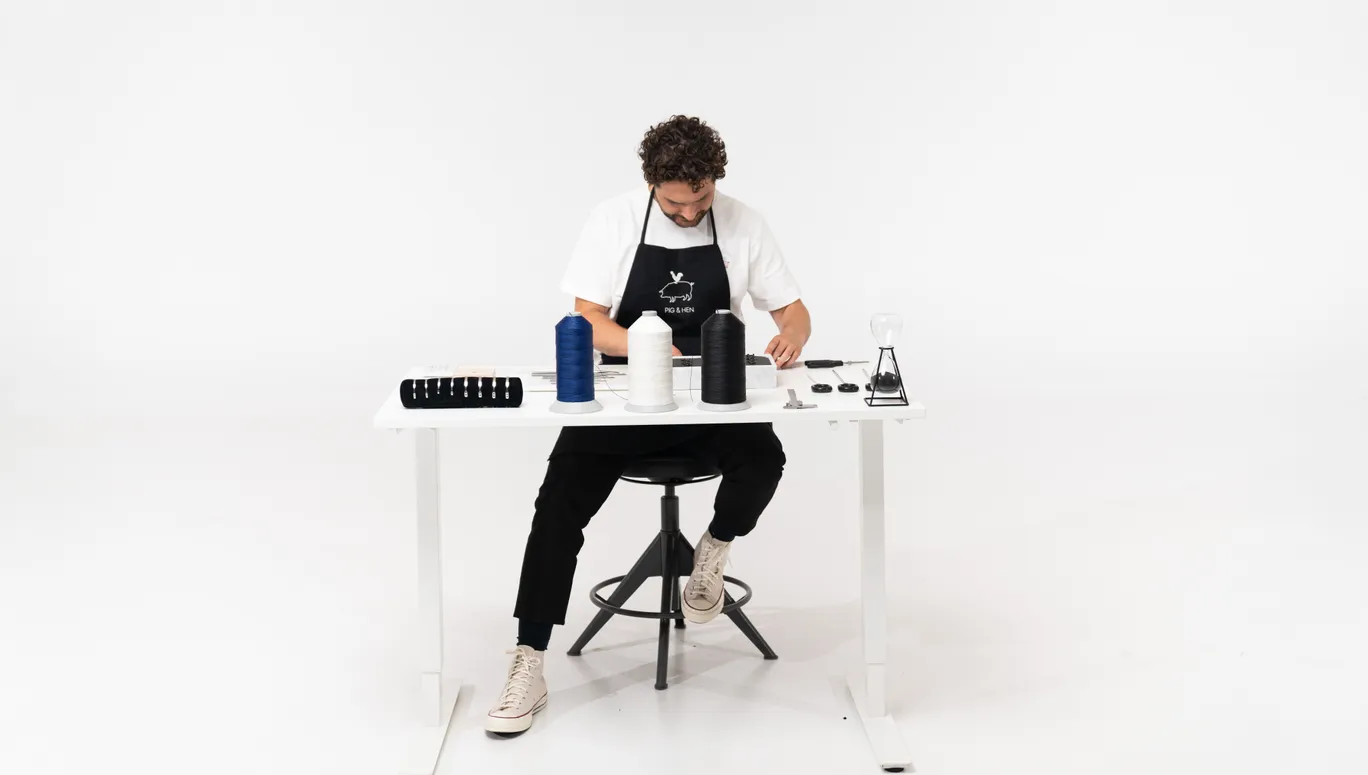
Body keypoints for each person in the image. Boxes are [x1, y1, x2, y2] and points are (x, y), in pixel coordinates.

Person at [486, 115, 811, 734]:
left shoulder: (744, 222)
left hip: (712, 399)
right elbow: (588, 319)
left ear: (714, 180)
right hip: (625, 402)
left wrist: (791, 337)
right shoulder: (612, 221)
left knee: (765, 459)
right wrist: (653, 349)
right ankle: (529, 658)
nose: (689, 213)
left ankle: (713, 550)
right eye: (674, 204)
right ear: (652, 185)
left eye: (701, 200)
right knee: (557, 507)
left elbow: (793, 310)